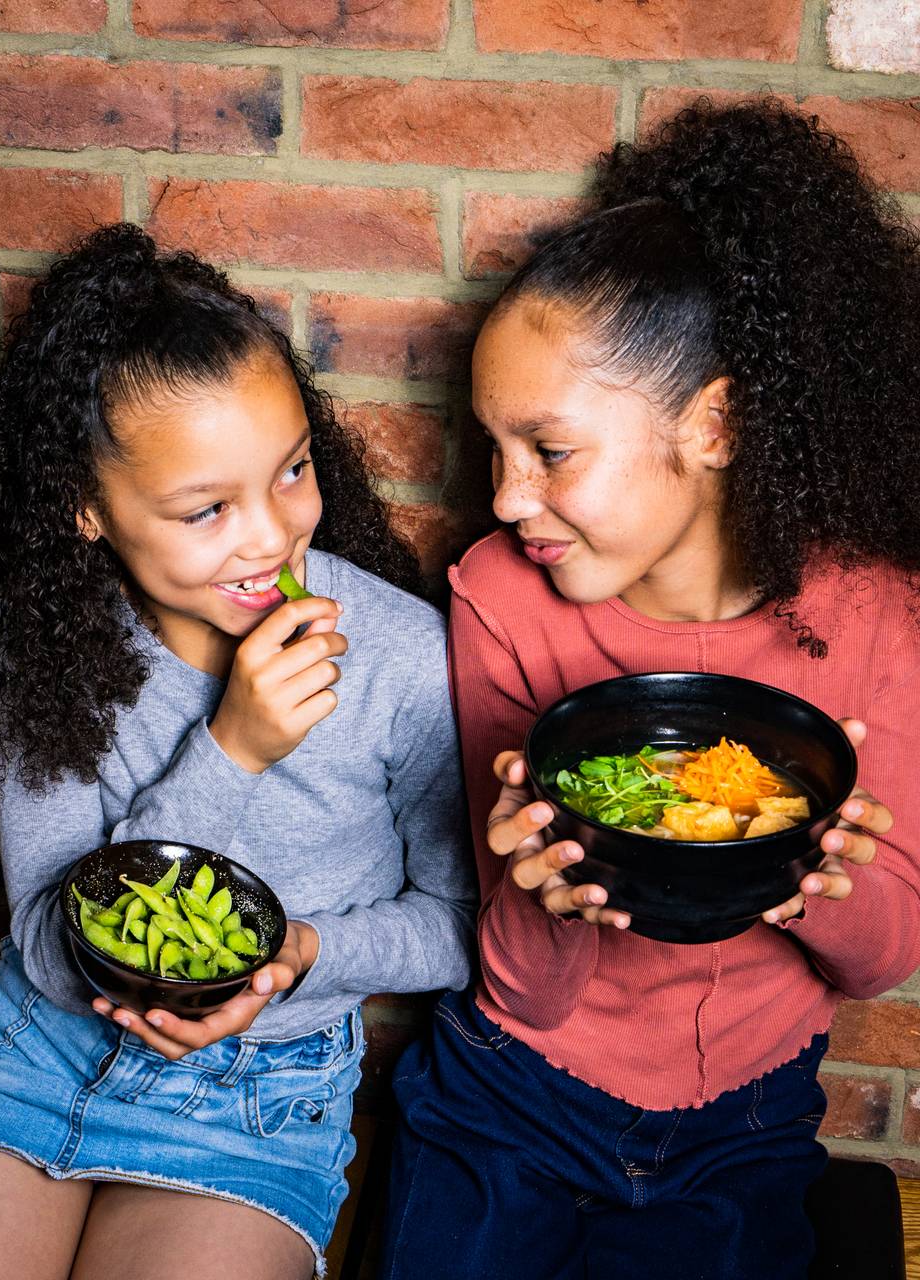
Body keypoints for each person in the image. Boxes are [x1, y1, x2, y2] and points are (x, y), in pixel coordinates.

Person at [380, 99, 920, 1280]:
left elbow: (879, 958)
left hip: (744, 1124)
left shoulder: (872, 613)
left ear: (713, 424)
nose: (510, 497)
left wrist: (811, 869)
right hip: (507, 1099)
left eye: (550, 449)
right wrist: (538, 887)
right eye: (491, 449)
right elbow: (520, 982)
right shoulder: (498, 596)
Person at [0, 224, 474, 1280]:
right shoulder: (41, 633)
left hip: (259, 1089)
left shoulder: (399, 654)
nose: (270, 536)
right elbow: (51, 939)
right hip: (40, 1046)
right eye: (206, 508)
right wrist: (230, 750)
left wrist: (304, 951)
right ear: (86, 507)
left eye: (291, 469)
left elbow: (462, 924)